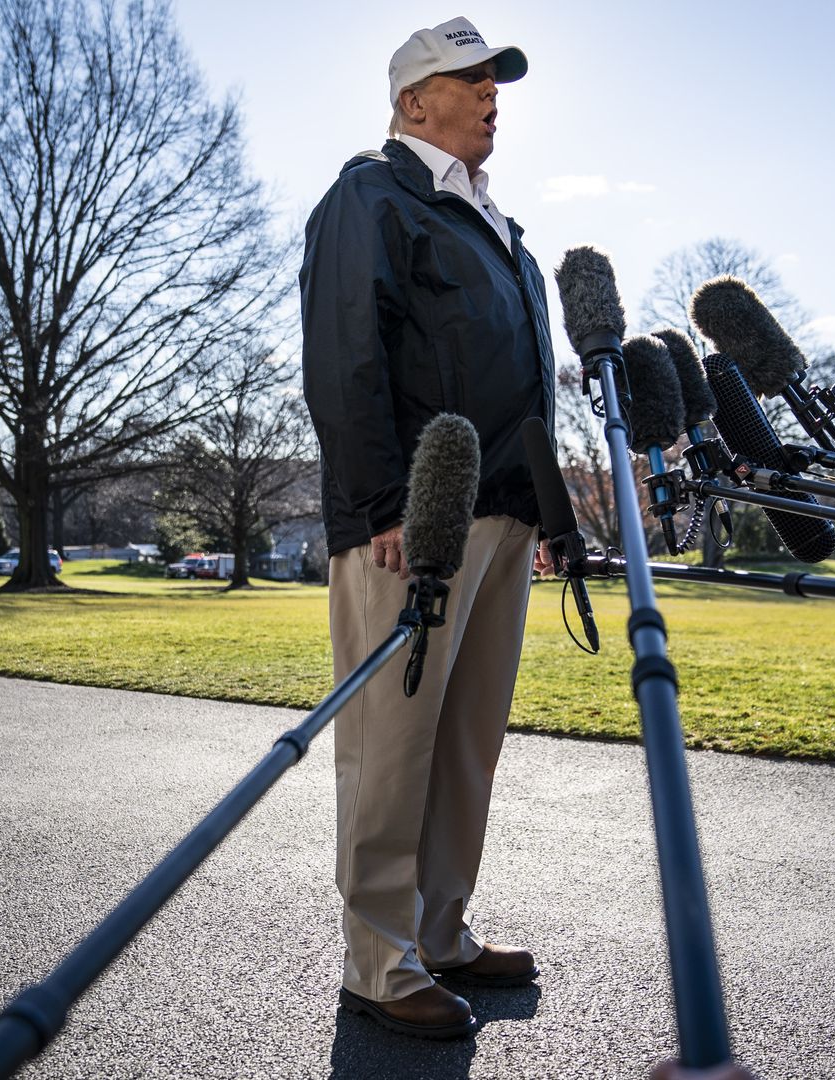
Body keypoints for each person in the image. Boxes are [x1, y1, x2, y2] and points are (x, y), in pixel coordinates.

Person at [300, 16, 555, 1040]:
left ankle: (440, 932)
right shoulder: (370, 195)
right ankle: (380, 959)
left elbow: (528, 388)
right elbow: (346, 357)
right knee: (393, 747)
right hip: (417, 521)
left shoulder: (502, 230)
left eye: (498, 77)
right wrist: (381, 507)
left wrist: (551, 516)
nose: (493, 91)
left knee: (464, 746)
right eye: (471, 77)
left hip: (504, 520)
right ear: (414, 101)